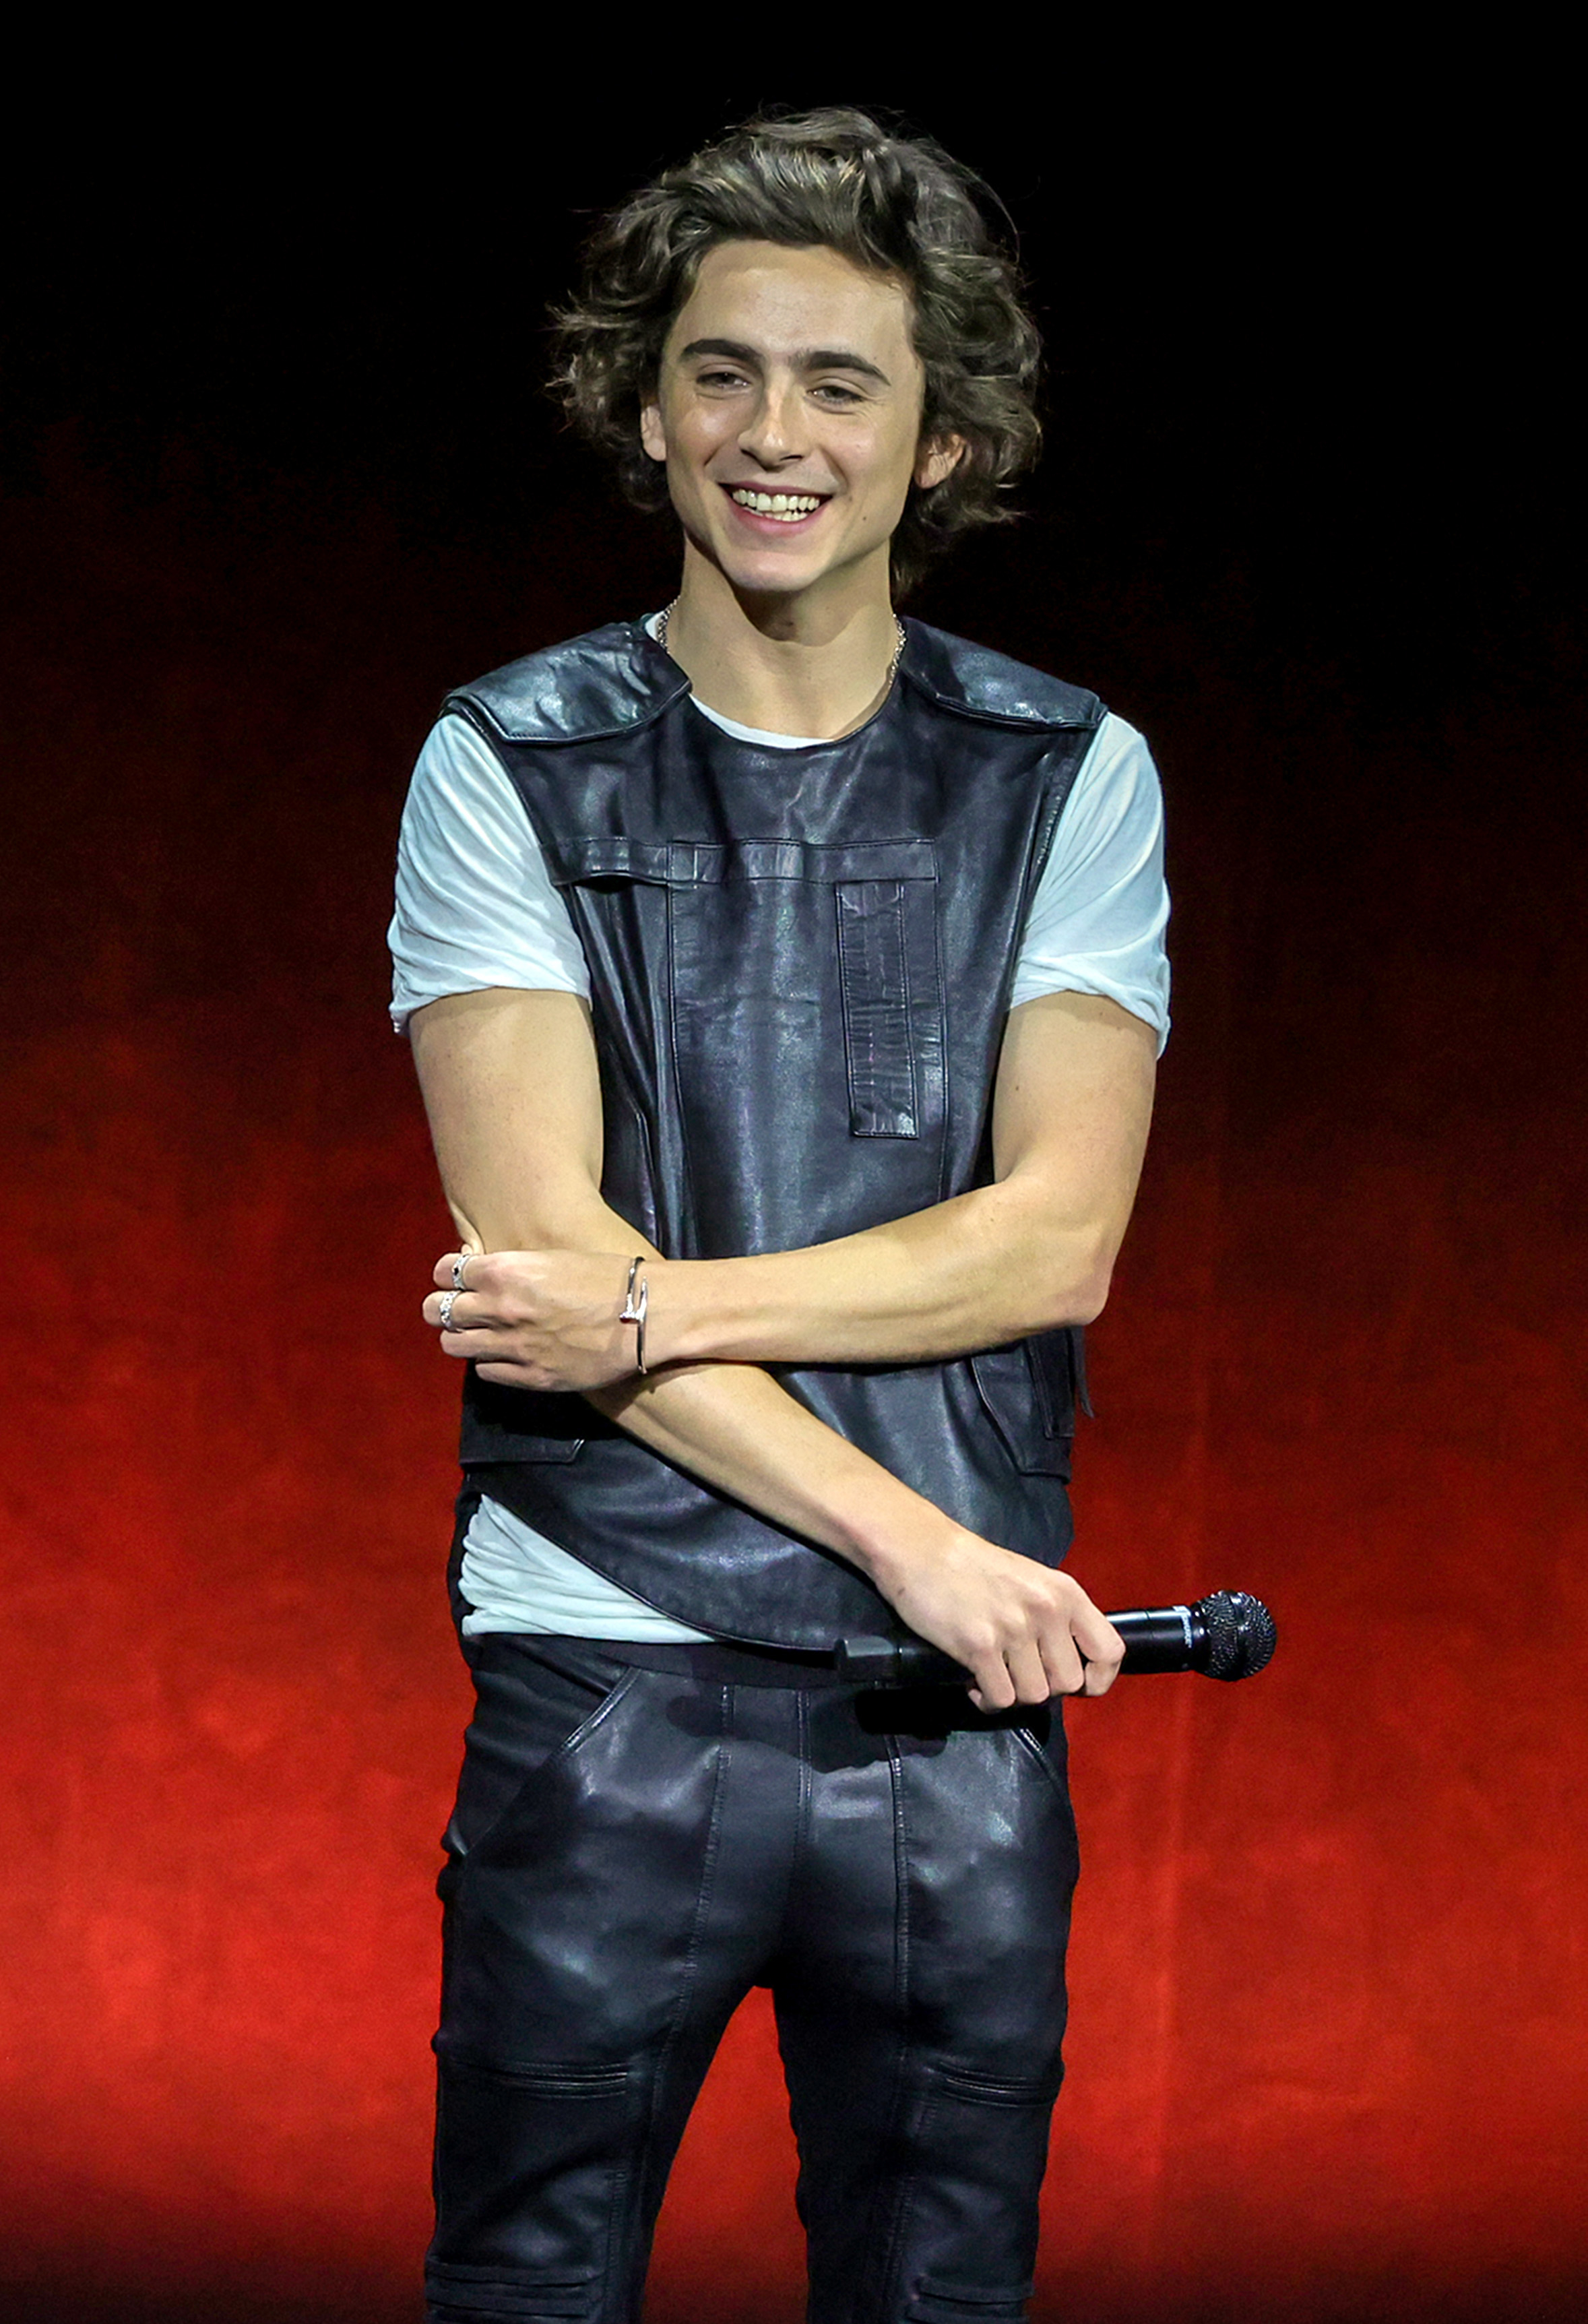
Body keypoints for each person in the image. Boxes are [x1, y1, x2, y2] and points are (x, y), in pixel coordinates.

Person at [390, 106, 1168, 2324]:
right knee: (526, 2287)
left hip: (956, 1713)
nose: (775, 432)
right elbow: (527, 1240)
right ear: (648, 406)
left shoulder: (1066, 769)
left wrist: (639, 1307)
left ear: (942, 442)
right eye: (723, 370)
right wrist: (914, 1541)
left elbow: (1053, 1246)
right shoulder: (508, 756)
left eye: (844, 383)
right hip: (615, 1667)